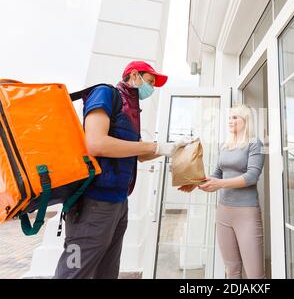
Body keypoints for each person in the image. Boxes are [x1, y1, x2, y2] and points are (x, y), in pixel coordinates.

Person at [54, 61, 190, 279]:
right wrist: (156, 146)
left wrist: (169, 148)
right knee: (74, 271)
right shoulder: (105, 94)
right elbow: (95, 143)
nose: (151, 88)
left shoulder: (131, 110)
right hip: (92, 203)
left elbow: (139, 154)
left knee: (107, 271)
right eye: (150, 81)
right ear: (134, 75)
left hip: (118, 203)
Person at [180, 104, 265, 279]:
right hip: (224, 212)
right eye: (229, 117)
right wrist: (196, 182)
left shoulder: (255, 143)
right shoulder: (224, 145)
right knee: (231, 271)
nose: (230, 121)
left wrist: (220, 184)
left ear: (246, 121)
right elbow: (217, 174)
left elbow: (251, 177)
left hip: (246, 213)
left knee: (255, 275)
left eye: (235, 117)